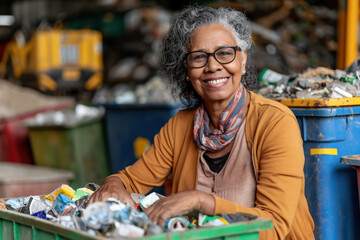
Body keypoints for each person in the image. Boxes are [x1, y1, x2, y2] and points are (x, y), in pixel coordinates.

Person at [88, 6, 315, 239]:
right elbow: (129, 180)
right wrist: (112, 185)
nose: (213, 66)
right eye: (198, 57)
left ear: (243, 61)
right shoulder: (179, 127)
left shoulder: (275, 123)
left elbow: (274, 227)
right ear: (187, 70)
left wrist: (200, 201)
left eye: (225, 53)